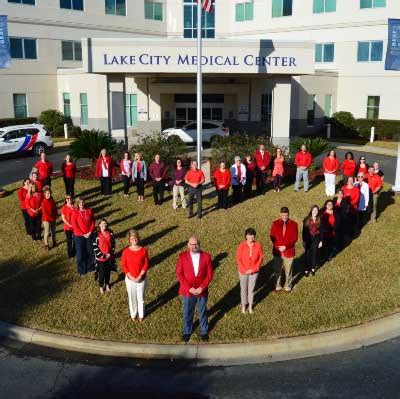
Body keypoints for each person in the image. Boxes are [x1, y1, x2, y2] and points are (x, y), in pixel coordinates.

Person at [176, 236, 213, 342]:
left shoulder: (206, 257)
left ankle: (204, 331)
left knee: (202, 311)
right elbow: (179, 274)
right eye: (192, 244)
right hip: (188, 291)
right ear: (188, 245)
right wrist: (189, 288)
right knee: (188, 312)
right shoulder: (182, 257)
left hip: (202, 291)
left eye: (196, 244)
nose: (194, 246)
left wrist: (202, 287)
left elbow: (209, 274)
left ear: (199, 244)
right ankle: (187, 331)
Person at [121, 230, 149, 322]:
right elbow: (124, 266)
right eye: (132, 238)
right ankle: (133, 314)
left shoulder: (144, 250)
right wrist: (131, 277)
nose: (134, 239)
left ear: (138, 238)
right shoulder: (125, 251)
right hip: (130, 279)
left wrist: (140, 276)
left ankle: (141, 315)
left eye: (136, 237)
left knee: (141, 298)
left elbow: (146, 264)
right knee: (132, 298)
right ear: (129, 240)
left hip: (141, 279)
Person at [270, 207, 298, 293]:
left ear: (288, 214)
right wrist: (279, 246)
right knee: (277, 270)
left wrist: (286, 246)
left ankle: (287, 286)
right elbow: (272, 236)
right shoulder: (275, 224)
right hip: (278, 251)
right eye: (283, 215)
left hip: (289, 251)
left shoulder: (294, 224)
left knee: (288, 270)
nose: (284, 217)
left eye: (286, 215)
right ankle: (277, 286)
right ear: (280, 214)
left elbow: (294, 238)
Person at [236, 228, 263, 314]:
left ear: (254, 236)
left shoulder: (258, 245)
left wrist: (253, 269)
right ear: (246, 236)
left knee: (251, 289)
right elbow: (238, 259)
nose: (250, 237)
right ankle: (243, 306)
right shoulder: (241, 245)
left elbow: (260, 258)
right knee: (243, 289)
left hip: (254, 272)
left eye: (252, 235)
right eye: (249, 235)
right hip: (243, 271)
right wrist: (244, 270)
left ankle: (250, 306)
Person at [71, 197, 96, 275]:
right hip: (79, 236)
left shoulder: (89, 210)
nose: (81, 204)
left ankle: (90, 267)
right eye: (79, 203)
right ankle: (81, 269)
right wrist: (82, 234)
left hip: (89, 235)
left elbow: (93, 221)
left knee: (90, 252)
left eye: (82, 202)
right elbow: (74, 225)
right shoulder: (75, 212)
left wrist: (90, 232)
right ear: (77, 204)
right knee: (80, 254)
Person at [93, 219, 115, 294]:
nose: (104, 225)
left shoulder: (110, 232)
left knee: (108, 272)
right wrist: (103, 256)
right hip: (101, 258)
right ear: (99, 225)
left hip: (109, 256)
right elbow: (95, 247)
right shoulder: (96, 235)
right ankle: (101, 286)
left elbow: (113, 243)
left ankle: (107, 284)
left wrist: (110, 253)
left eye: (105, 223)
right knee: (102, 273)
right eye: (102, 224)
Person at [302, 205, 322, 277]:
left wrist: (321, 241)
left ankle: (313, 268)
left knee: (314, 253)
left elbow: (321, 231)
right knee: (307, 254)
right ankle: (306, 269)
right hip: (308, 239)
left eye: (316, 210)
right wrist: (304, 241)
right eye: (314, 210)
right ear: (311, 211)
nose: (315, 212)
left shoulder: (319, 219)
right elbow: (303, 231)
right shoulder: (306, 219)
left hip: (316, 238)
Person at [41, 186, 58, 251]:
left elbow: (55, 208)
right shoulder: (43, 202)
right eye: (47, 193)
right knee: (47, 232)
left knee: (53, 231)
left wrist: (56, 215)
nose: (49, 194)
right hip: (46, 219)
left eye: (49, 193)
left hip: (53, 218)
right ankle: (46, 244)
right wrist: (51, 217)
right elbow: (45, 213)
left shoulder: (52, 200)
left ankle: (54, 242)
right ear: (44, 194)